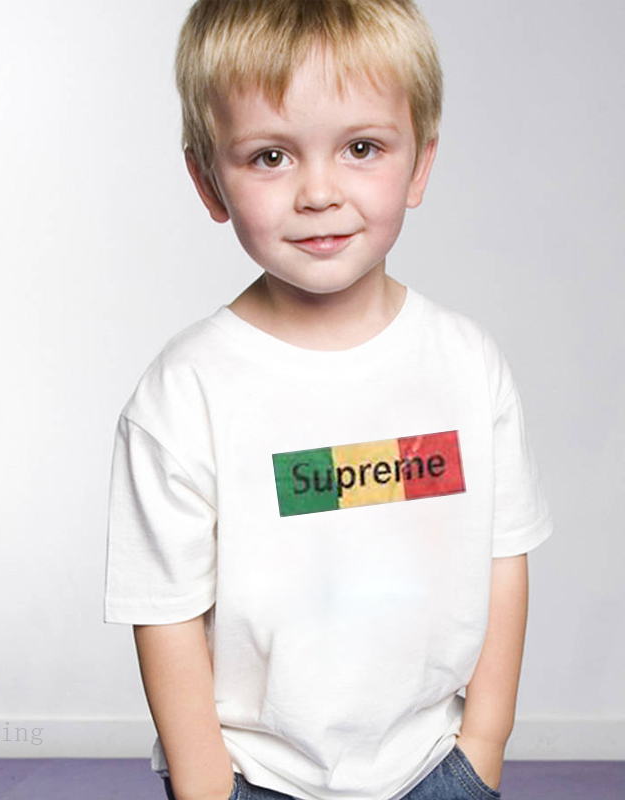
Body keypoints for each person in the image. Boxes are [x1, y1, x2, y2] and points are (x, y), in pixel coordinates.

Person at [103, 1, 553, 798]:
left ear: (419, 165)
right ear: (209, 180)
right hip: (253, 777)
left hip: (434, 765)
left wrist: (483, 745)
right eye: (271, 156)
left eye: (361, 148)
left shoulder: (466, 365)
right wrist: (206, 787)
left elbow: (502, 557)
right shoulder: (185, 394)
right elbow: (165, 615)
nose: (319, 192)